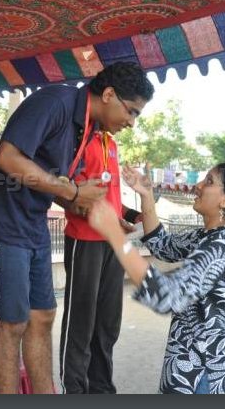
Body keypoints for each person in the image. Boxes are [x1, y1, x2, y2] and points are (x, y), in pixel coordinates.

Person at [0, 61, 154, 393]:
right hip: (2, 221)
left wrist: (96, 210)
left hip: (34, 222)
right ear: (109, 94)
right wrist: (73, 193)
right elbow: (7, 158)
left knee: (43, 316)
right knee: (13, 322)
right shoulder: (55, 102)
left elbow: (58, 185)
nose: (131, 122)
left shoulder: (89, 128)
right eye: (132, 111)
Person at [87, 163, 225, 394]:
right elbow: (162, 245)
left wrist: (115, 235)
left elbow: (168, 296)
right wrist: (146, 194)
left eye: (209, 182)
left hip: (212, 372)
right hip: (203, 364)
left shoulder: (222, 246)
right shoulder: (208, 237)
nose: (198, 185)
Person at [58, 129, 142, 394]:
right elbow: (64, 191)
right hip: (85, 238)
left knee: (107, 323)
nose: (129, 122)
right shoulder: (77, 138)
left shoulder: (110, 142)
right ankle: (74, 390)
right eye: (129, 111)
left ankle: (102, 388)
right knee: (80, 322)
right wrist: (101, 217)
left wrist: (135, 215)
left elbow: (112, 199)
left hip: (113, 240)